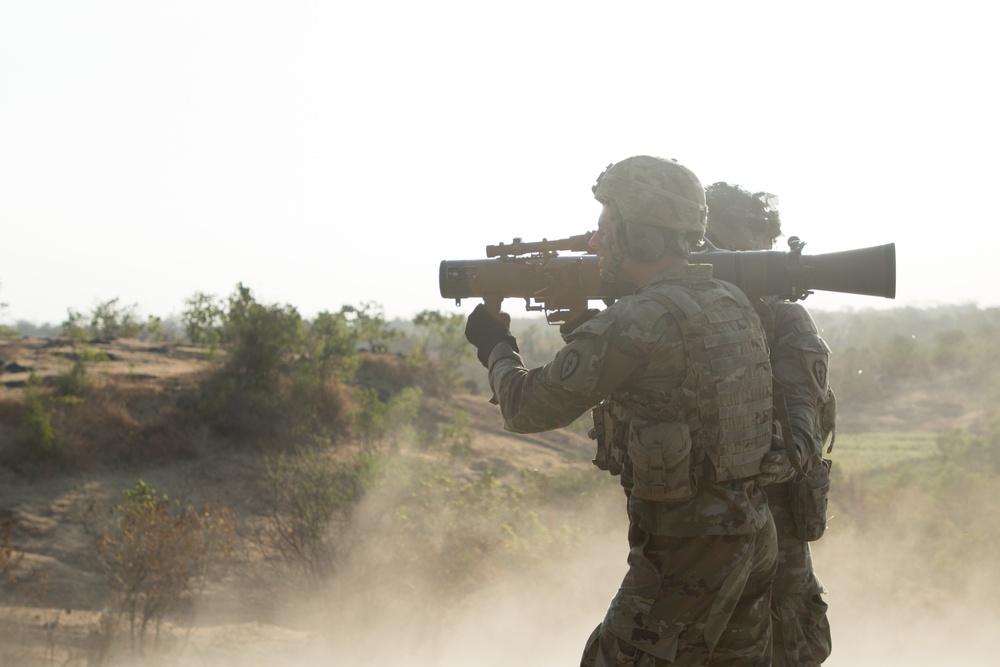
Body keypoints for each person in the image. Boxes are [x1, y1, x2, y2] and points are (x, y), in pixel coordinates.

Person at [465, 156, 782, 666]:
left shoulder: (642, 317)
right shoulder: (729, 299)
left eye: (605, 229)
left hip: (688, 549)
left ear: (641, 237)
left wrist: (495, 344)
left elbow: (526, 408)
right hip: (750, 535)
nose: (595, 243)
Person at [705, 182, 835, 666]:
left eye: (746, 247)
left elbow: (802, 428)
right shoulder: (679, 316)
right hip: (699, 531)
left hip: (773, 521)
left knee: (788, 646)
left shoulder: (784, 321)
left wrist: (771, 454)